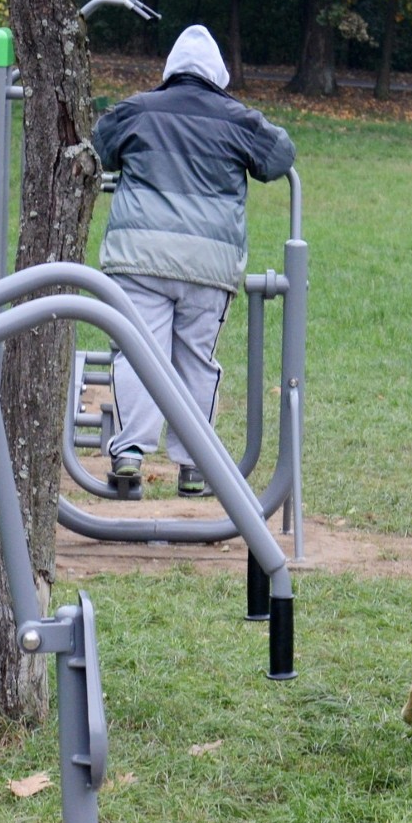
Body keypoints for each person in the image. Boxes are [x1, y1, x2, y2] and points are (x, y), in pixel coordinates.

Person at [92, 25, 296, 496]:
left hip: (138, 258)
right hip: (209, 264)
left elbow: (100, 146)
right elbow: (280, 157)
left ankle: (129, 453)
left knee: (138, 353)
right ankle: (194, 465)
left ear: (169, 71)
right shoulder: (238, 119)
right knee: (196, 362)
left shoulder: (137, 110)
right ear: (218, 76)